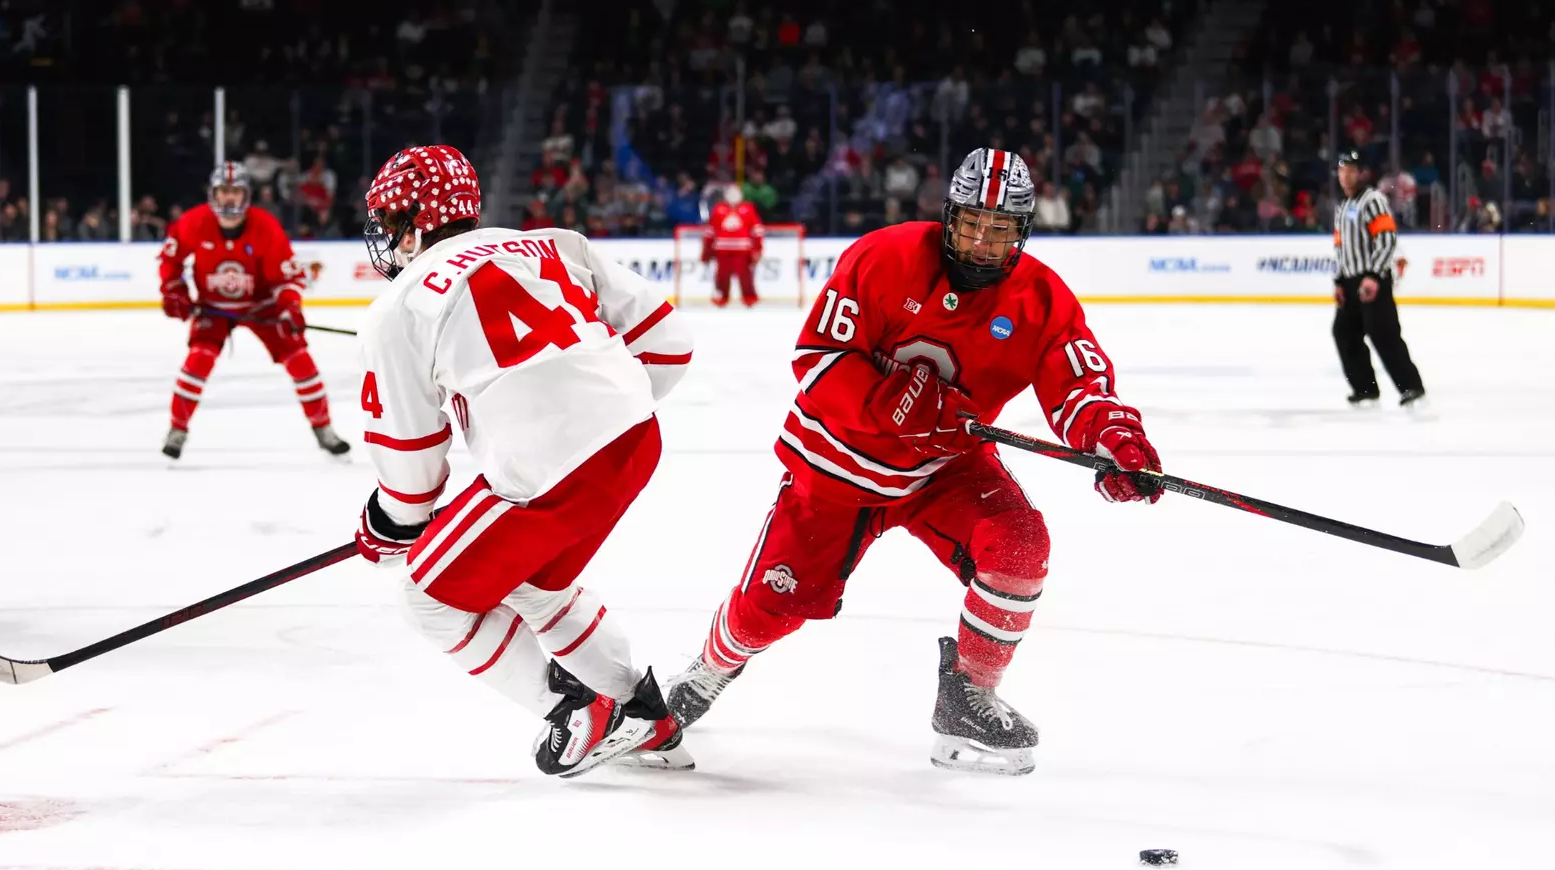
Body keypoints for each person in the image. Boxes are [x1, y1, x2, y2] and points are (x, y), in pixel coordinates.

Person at [662, 148, 1164, 775]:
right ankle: (706, 673)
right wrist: (894, 403)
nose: (982, 242)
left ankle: (968, 698)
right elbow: (817, 361)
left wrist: (1115, 442)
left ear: (1023, 232)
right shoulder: (884, 257)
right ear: (949, 217)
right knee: (772, 609)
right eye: (972, 224)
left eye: (1000, 229)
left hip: (945, 469)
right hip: (838, 466)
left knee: (1019, 545)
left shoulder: (1040, 298)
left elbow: (1081, 387)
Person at [353, 144, 696, 778]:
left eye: (394, 221)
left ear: (421, 222)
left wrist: (387, 522)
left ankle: (575, 710)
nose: (390, 241)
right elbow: (670, 345)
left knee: (429, 593)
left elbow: (412, 470)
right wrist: (599, 401)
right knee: (537, 584)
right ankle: (648, 716)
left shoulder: (399, 306)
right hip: (635, 440)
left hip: (547, 463)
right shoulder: (552, 243)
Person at [157, 162, 351, 459]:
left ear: (246, 195)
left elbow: (287, 277)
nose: (229, 199)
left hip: (263, 307)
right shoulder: (194, 222)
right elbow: (170, 259)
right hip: (213, 308)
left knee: (300, 361)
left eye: (235, 191)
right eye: (224, 191)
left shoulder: (265, 226)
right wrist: (173, 290)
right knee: (198, 362)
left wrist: (289, 307)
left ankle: (323, 428)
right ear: (213, 194)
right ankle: (178, 429)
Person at [1331, 149, 1425, 407]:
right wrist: (1339, 281)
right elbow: (1341, 247)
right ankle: (1365, 389)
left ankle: (1411, 387)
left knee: (1383, 333)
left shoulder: (1372, 200)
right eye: (1342, 171)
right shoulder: (1342, 206)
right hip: (1350, 282)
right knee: (1344, 333)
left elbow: (1386, 239)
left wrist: (1373, 275)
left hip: (1373, 278)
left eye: (1351, 171)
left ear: (1362, 173)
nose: (1345, 176)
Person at [701, 183, 764, 307]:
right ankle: (722, 297)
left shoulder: (748, 209)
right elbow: (710, 232)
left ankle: (749, 297)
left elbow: (757, 230)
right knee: (722, 275)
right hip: (722, 250)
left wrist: (758, 248)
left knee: (745, 276)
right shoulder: (719, 209)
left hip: (742, 250)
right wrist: (706, 253)